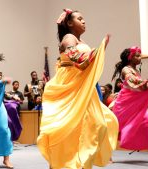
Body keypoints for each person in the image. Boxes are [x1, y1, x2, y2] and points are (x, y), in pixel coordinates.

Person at [37, 9, 119, 169]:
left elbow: (84, 62)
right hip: (71, 89)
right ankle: (63, 163)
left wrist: (99, 50)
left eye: (84, 19)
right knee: (72, 128)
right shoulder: (69, 38)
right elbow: (78, 60)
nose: (84, 21)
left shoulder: (81, 41)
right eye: (79, 19)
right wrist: (99, 49)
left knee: (100, 124)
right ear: (69, 23)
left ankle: (80, 163)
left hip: (83, 90)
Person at [112, 46, 148, 161]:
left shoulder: (136, 70)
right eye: (137, 55)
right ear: (130, 58)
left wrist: (146, 85)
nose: (140, 57)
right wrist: (145, 83)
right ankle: (107, 154)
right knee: (115, 128)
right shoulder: (126, 69)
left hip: (137, 103)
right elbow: (130, 79)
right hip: (125, 104)